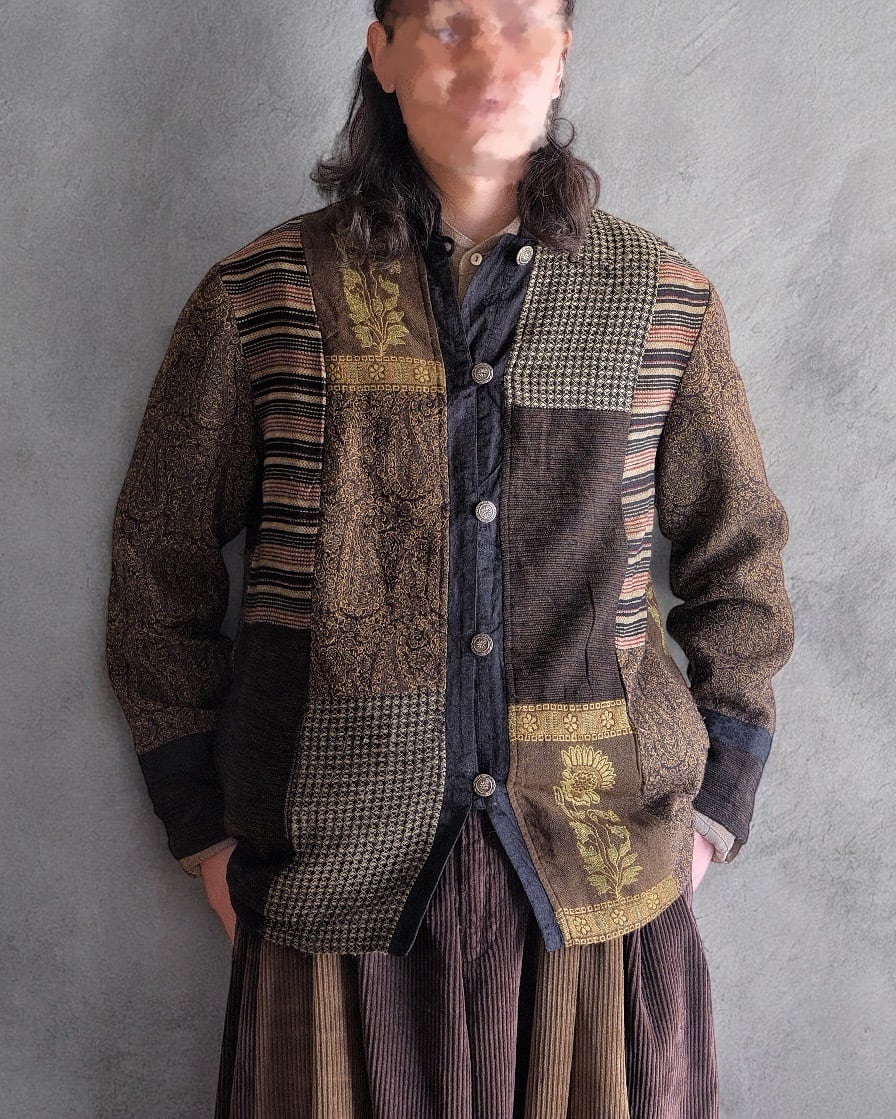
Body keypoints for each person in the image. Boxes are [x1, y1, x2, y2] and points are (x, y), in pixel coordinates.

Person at [104, 1, 795, 1116]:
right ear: (380, 52)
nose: (487, 57)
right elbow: (158, 563)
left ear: (563, 52)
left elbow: (741, 555)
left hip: (601, 879)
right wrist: (201, 830)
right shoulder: (264, 296)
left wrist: (715, 803)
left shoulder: (656, 298)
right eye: (448, 25)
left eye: (522, 23)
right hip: (332, 880)